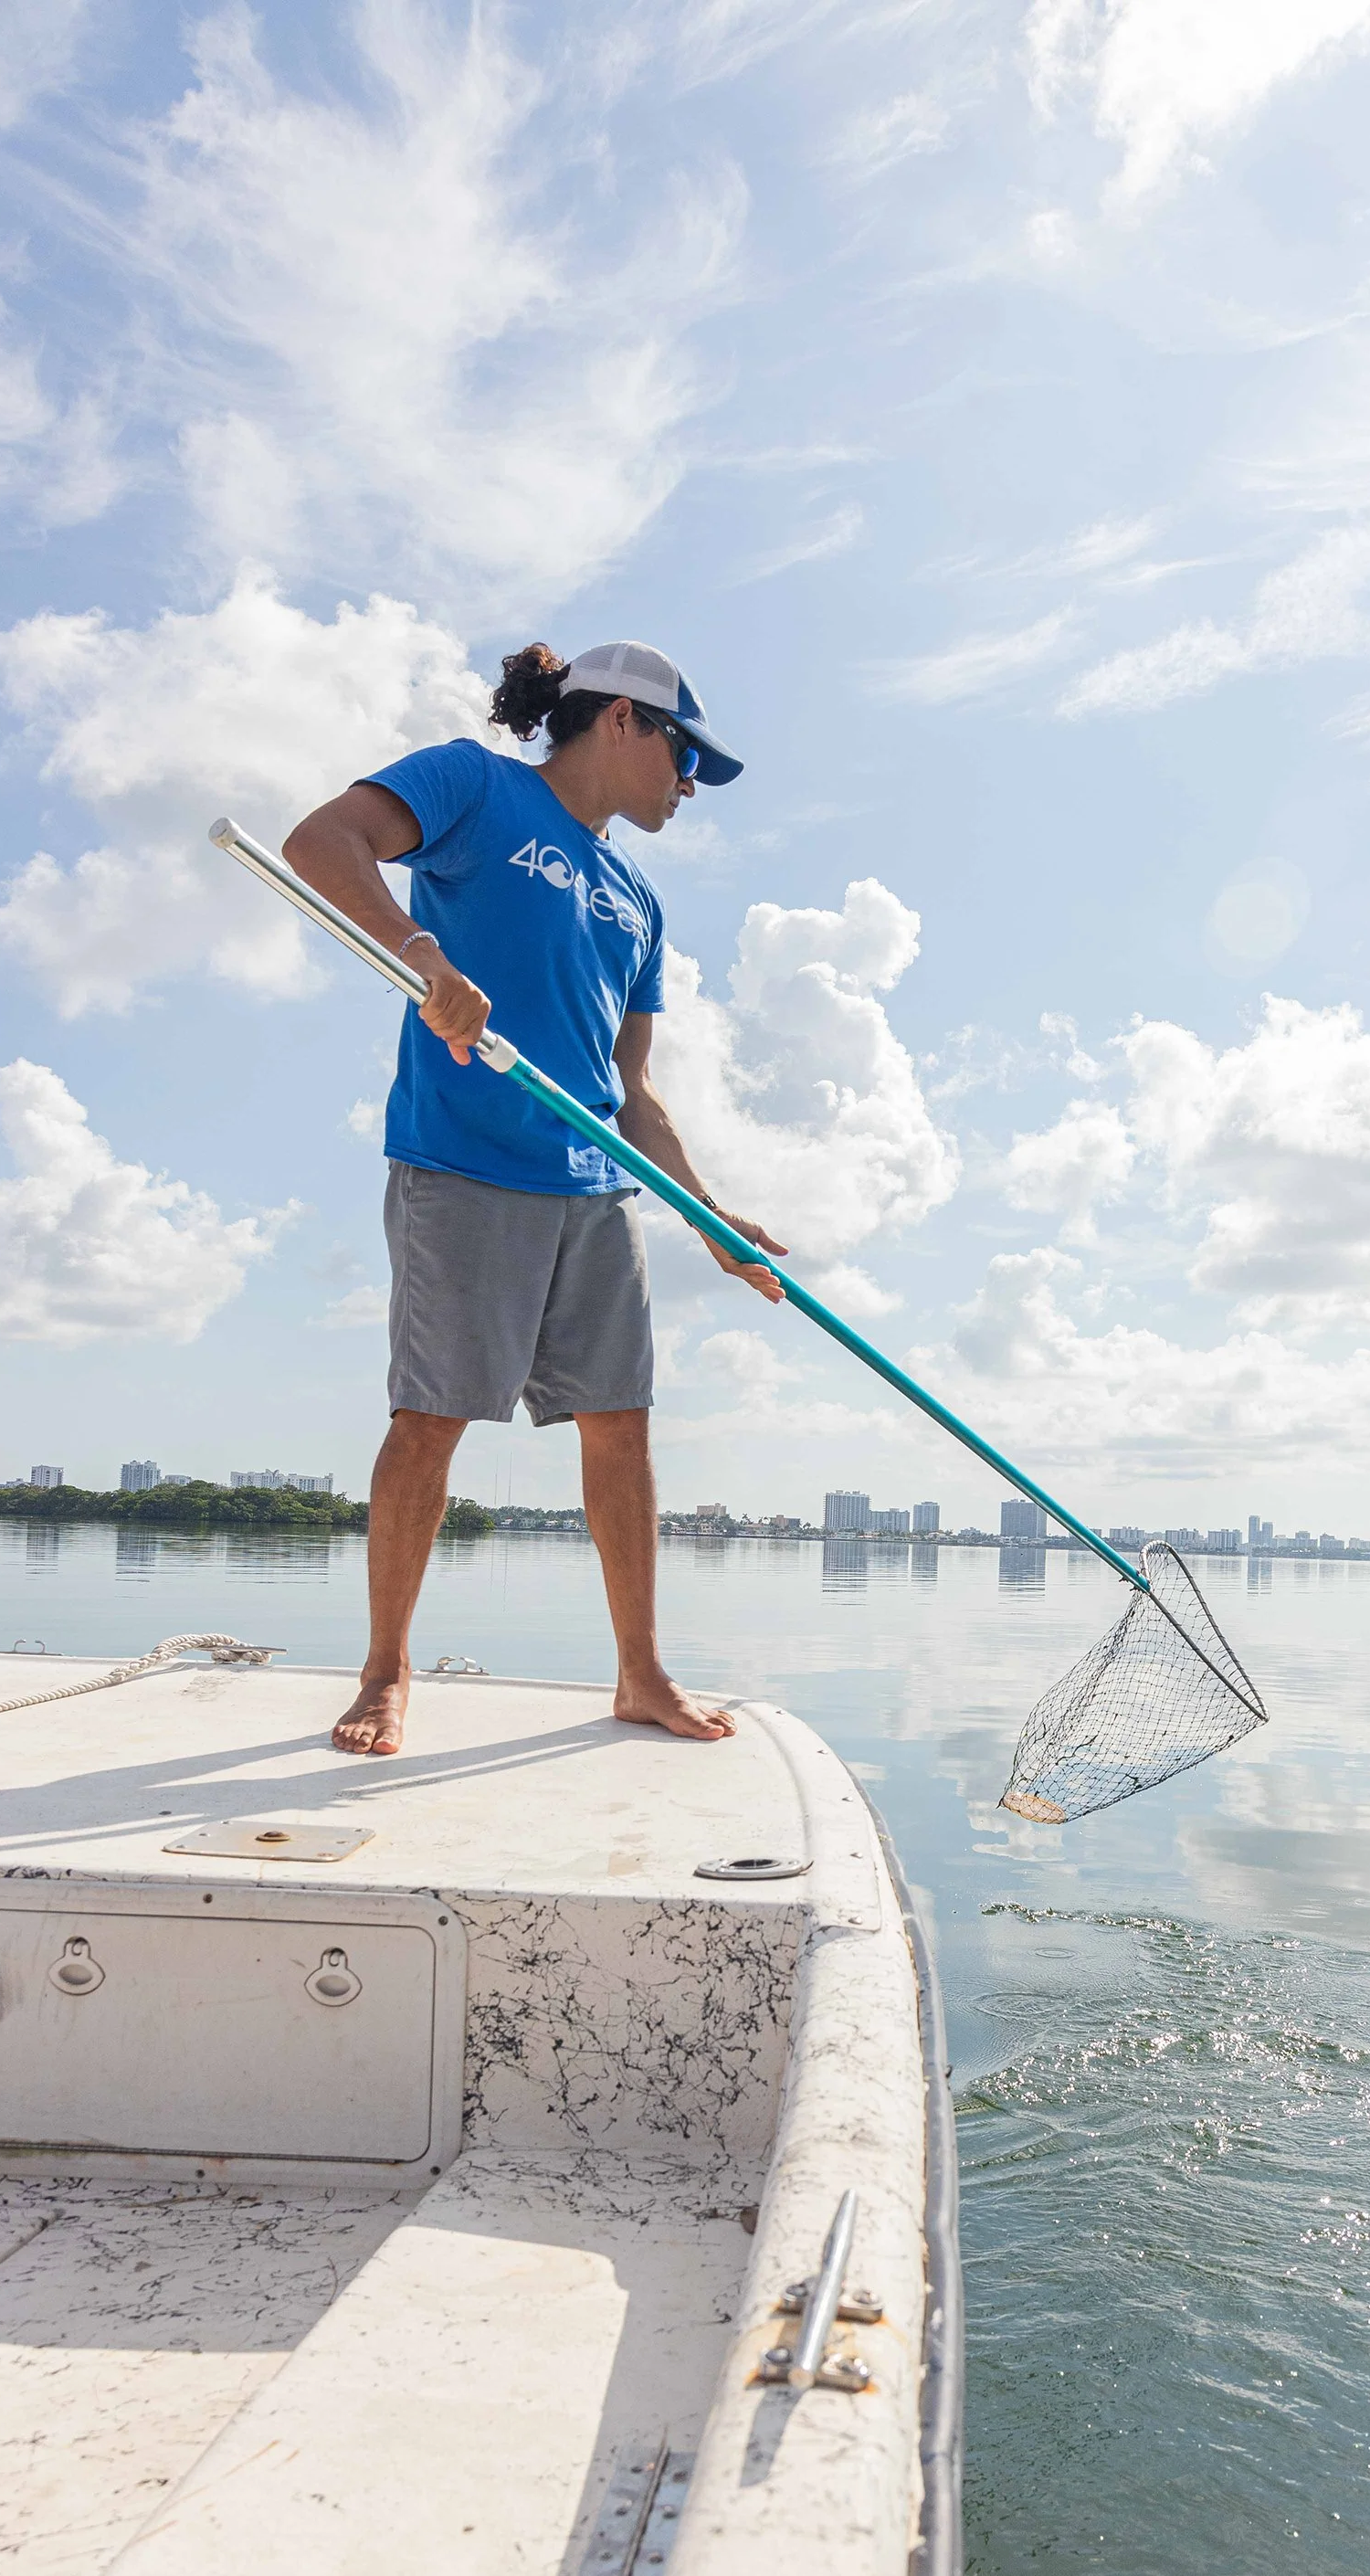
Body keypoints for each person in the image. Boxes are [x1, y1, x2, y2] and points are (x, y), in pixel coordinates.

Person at [282, 639, 785, 1758]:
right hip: (463, 1163)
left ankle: (640, 1674)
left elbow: (631, 1088)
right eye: (683, 753)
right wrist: (424, 957)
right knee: (431, 1419)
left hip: (596, 1186)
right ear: (621, 723)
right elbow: (322, 842)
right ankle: (384, 1671)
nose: (689, 784)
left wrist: (707, 1215)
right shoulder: (476, 784)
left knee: (621, 1426)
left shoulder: (638, 901)